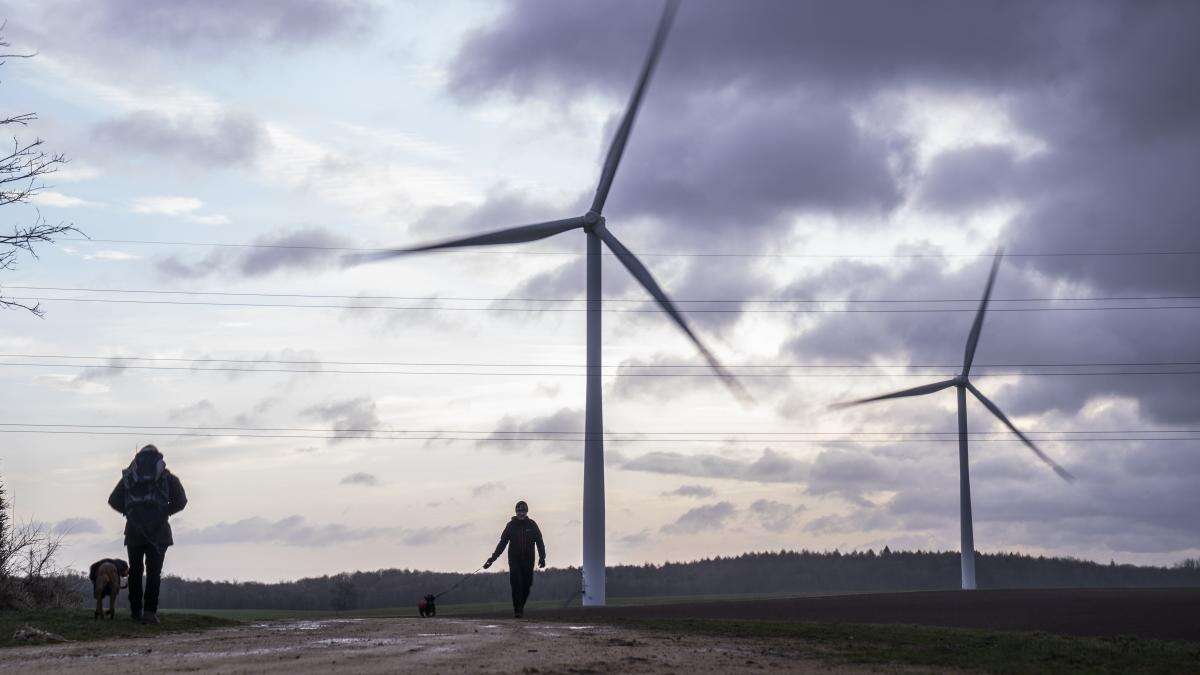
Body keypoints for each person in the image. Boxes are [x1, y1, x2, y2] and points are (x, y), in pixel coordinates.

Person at [107, 444, 187, 624]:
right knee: (153, 573)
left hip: (134, 531)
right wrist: (165, 512)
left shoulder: (129, 477)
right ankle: (150, 613)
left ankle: (136, 612)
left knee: (135, 572)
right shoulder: (167, 477)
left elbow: (113, 500)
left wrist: (129, 512)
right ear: (158, 458)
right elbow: (181, 501)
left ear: (138, 458)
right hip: (159, 533)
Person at [483, 500, 546, 618]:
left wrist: (542, 557)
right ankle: (518, 610)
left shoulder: (532, 525)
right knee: (516, 584)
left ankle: (520, 606)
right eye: (519, 511)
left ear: (527, 512)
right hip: (514, 560)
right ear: (516, 512)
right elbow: (502, 543)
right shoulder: (510, 526)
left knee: (527, 585)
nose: (521, 513)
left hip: (529, 559)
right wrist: (492, 559)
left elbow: (540, 542)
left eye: (523, 511)